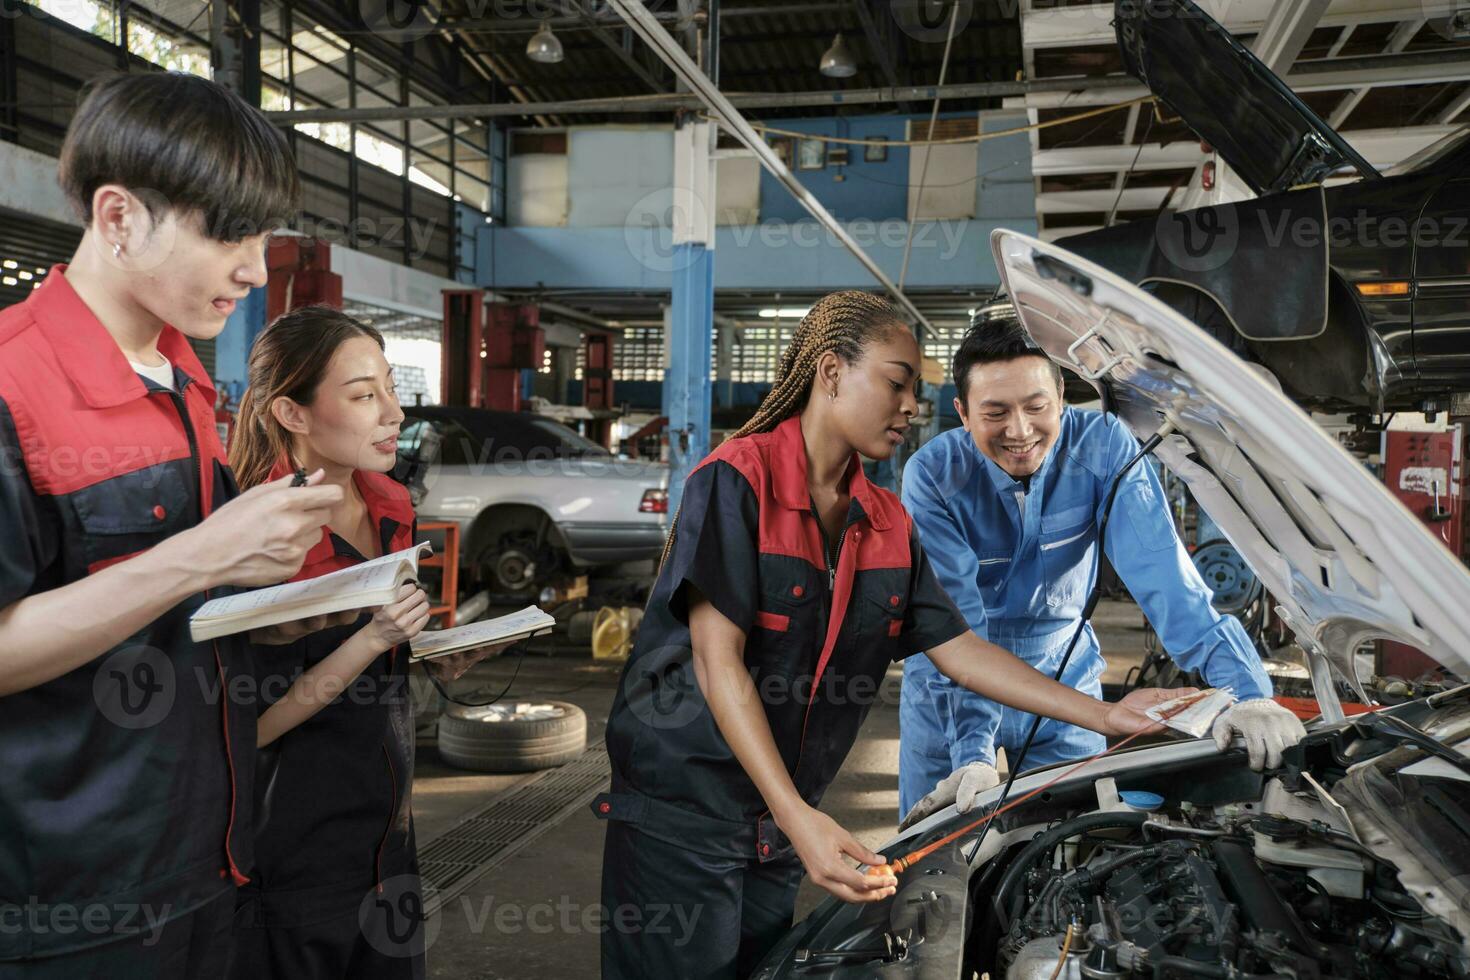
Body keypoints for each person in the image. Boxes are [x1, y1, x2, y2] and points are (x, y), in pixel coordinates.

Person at [593, 291, 1184, 979]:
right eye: (897, 382)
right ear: (832, 372)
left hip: (777, 824)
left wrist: (1110, 715)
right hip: (683, 818)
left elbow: (962, 651)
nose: (910, 406)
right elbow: (717, 662)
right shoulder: (736, 480)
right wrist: (796, 819)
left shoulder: (884, 520)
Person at [0, 72, 345, 977]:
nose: (254, 267)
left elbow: (160, 613)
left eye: (264, 236)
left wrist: (271, 606)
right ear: (119, 218)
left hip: (212, 862)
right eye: (228, 233)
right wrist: (200, 556)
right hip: (71, 911)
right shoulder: (13, 389)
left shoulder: (182, 379)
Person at [896, 307, 1306, 829]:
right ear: (962, 410)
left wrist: (1248, 693)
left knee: (1073, 848)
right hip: (949, 695)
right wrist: (973, 752)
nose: (1019, 431)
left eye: (1036, 407)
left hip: (1065, 690)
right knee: (929, 866)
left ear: (1062, 399)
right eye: (995, 413)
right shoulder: (932, 475)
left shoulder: (1106, 446)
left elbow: (1166, 577)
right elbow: (959, 629)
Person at [224, 307, 506, 978]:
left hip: (388, 842)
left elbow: (382, 664)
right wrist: (372, 638)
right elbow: (250, 727)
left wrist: (433, 652)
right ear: (293, 414)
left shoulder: (390, 505)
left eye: (388, 387)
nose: (393, 413)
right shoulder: (259, 536)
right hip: (293, 854)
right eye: (362, 395)